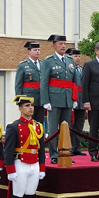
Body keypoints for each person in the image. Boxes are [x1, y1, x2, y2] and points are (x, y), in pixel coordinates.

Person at [4, 95, 45, 198]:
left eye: (32, 105)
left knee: (30, 195)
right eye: (27, 106)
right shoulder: (14, 126)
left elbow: (41, 148)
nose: (31, 108)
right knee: (18, 195)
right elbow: (8, 150)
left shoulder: (38, 126)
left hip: (34, 164)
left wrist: (42, 167)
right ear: (20, 108)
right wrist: (10, 169)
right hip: (20, 163)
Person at [40, 34, 78, 164]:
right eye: (60, 44)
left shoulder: (70, 60)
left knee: (66, 128)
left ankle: (64, 152)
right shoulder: (48, 61)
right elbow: (44, 82)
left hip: (67, 98)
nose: (63, 46)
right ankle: (54, 154)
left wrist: (75, 98)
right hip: (54, 99)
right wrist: (45, 100)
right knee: (53, 129)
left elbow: (73, 81)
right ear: (54, 45)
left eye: (64, 43)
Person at [68, 48, 86, 156]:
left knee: (79, 126)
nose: (78, 58)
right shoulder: (69, 69)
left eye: (79, 56)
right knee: (70, 125)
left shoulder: (82, 69)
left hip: (81, 100)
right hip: (72, 99)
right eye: (75, 56)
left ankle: (77, 147)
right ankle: (70, 147)